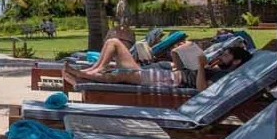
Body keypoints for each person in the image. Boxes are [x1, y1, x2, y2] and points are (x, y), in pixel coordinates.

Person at [63, 37, 251, 91]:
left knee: (121, 74)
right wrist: (178, 52)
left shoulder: (223, 77)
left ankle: (86, 74)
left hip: (168, 80)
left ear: (236, 61)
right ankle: (93, 69)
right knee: (113, 42)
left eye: (226, 55)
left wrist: (201, 66)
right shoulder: (214, 67)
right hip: (161, 72)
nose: (222, 56)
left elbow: (202, 89)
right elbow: (180, 68)